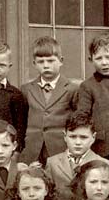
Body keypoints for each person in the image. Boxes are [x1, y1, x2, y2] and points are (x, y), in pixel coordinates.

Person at [20, 36, 79, 164]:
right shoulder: (26, 89)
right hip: (33, 150)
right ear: (34, 63)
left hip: (60, 150)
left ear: (61, 61)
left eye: (51, 61)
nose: (46, 66)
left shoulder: (72, 89)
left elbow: (76, 122)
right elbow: (22, 121)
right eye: (41, 62)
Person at [45, 112, 109, 200]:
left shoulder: (103, 164)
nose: (78, 142)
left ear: (93, 138)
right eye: (73, 137)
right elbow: (47, 199)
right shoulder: (52, 163)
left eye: (83, 137)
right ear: (65, 136)